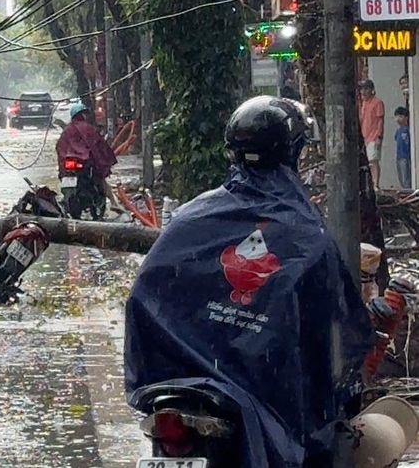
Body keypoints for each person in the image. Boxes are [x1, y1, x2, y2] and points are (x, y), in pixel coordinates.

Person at [124, 96, 377, 467]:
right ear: (294, 152)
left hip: (180, 387)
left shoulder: (192, 218)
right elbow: (333, 326)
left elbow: (147, 293)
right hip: (259, 395)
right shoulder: (307, 235)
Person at [55, 100, 120, 209]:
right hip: (85, 163)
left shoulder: (67, 130)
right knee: (101, 179)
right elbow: (100, 146)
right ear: (83, 115)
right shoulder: (88, 128)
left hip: (72, 165)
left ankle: (66, 201)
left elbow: (60, 148)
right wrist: (105, 159)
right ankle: (114, 203)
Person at [359, 79, 385, 187]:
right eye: (362, 89)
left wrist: (379, 135)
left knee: (373, 161)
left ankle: (376, 184)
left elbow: (380, 120)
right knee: (368, 162)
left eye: (366, 89)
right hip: (365, 135)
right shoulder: (363, 103)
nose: (363, 92)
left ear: (372, 90)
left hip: (374, 135)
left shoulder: (377, 102)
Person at [396, 106, 411, 190]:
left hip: (405, 156)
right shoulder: (398, 130)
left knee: (406, 177)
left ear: (406, 118)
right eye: (397, 116)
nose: (398, 119)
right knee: (401, 176)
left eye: (401, 116)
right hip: (399, 155)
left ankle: (407, 190)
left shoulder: (407, 130)